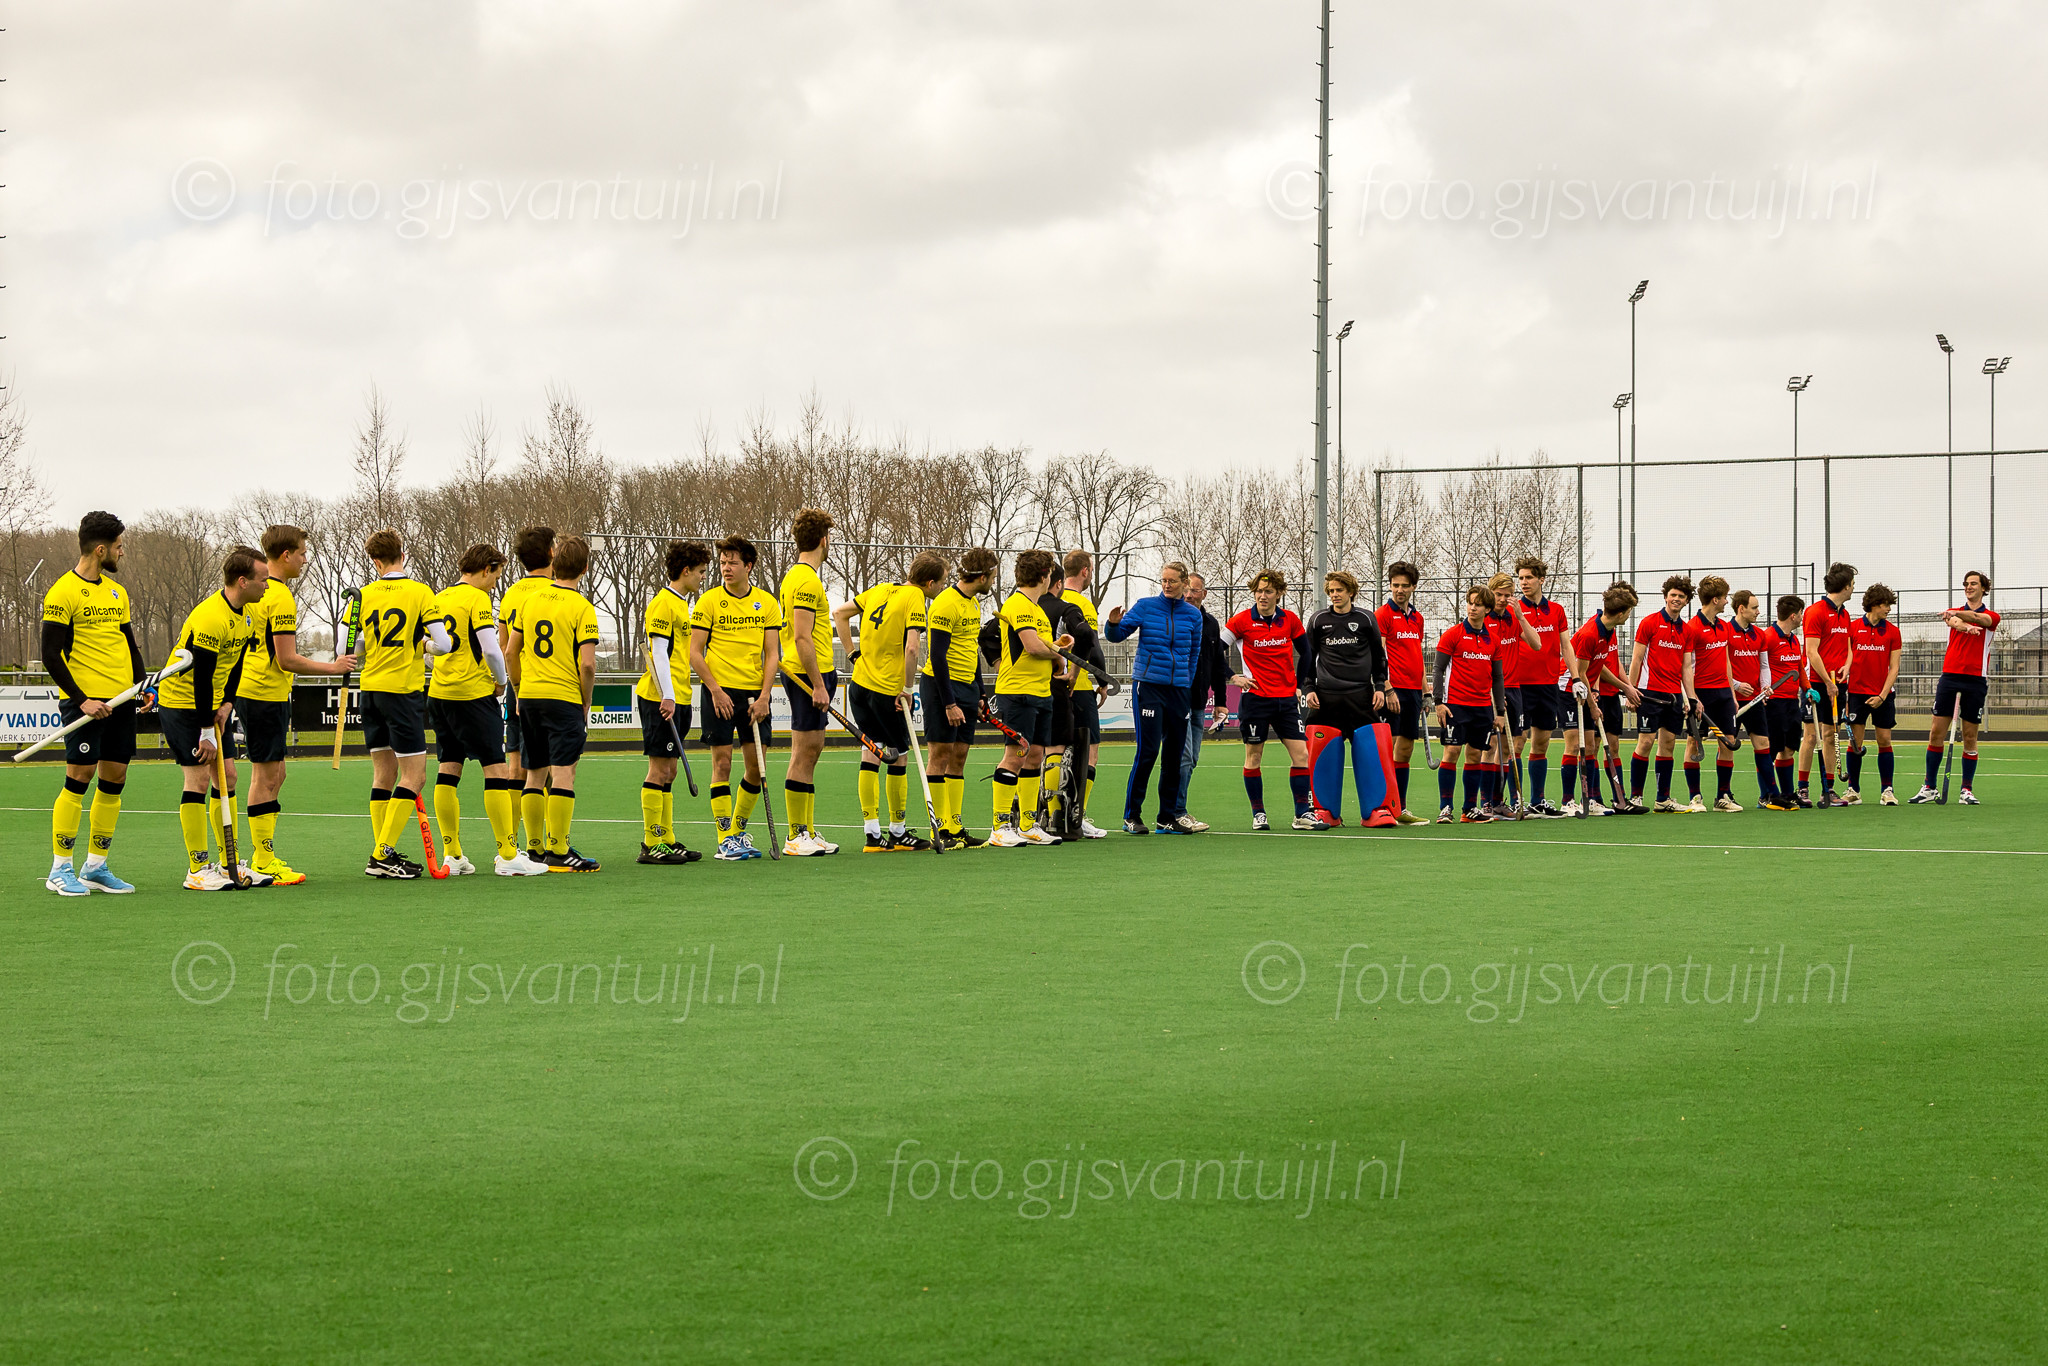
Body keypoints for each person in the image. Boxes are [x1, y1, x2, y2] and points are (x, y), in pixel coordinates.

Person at [235, 524, 359, 885]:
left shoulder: (258, 590)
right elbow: (287, 659)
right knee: (266, 776)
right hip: (262, 692)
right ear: (286, 555)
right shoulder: (279, 596)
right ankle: (262, 860)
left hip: (260, 690)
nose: (305, 560)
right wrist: (333, 667)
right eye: (302, 553)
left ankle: (264, 855)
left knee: (276, 774)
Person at [42, 511, 148, 896]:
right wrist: (82, 700)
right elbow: (51, 654)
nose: (122, 552)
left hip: (121, 701)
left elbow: (128, 643)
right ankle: (60, 868)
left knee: (114, 778)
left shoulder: (118, 593)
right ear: (101, 550)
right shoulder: (62, 592)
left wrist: (142, 685)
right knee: (80, 777)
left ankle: (96, 866)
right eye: (119, 546)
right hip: (85, 703)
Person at [158, 547, 271, 890]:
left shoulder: (248, 614)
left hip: (212, 705)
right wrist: (207, 728)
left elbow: (236, 664)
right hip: (182, 704)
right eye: (263, 579)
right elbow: (202, 676)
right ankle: (196, 869)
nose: (267, 585)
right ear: (243, 581)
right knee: (197, 780)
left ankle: (228, 864)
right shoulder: (210, 617)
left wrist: (228, 703)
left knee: (228, 777)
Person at [428, 543, 538, 875]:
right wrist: (502, 681)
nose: (495, 584)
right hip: (473, 695)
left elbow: (428, 649)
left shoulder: (440, 597)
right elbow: (491, 650)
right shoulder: (476, 599)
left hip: (439, 694)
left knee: (449, 768)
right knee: (496, 769)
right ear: (486, 569)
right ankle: (508, 855)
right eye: (496, 576)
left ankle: (453, 855)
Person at [357, 529, 454, 878]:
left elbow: (349, 647)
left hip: (370, 690)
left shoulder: (363, 595)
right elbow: (444, 644)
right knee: (415, 776)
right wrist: (422, 645)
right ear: (403, 555)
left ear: (375, 561)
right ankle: (382, 854)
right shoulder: (420, 592)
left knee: (383, 774)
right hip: (401, 692)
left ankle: (383, 853)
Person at [688, 536, 784, 860]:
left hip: (754, 696)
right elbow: (695, 653)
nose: (726, 568)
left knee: (756, 767)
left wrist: (765, 696)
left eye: (733, 562)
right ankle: (724, 839)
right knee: (723, 763)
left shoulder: (767, 603)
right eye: (722, 563)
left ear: (749, 566)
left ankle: (738, 830)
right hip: (719, 692)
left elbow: (772, 654)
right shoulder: (708, 602)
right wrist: (715, 690)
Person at [837, 555, 942, 851]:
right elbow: (912, 649)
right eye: (941, 583)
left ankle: (872, 833)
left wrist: (853, 654)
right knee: (899, 755)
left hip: (860, 685)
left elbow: (839, 614)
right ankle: (897, 831)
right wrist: (907, 689)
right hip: (887, 692)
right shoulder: (915, 597)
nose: (941, 588)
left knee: (871, 753)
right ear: (930, 583)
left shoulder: (880, 589)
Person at [1105, 561, 1205, 835]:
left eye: (1172, 581)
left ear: (1184, 584)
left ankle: (1167, 818)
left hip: (1179, 691)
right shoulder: (1146, 606)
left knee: (1174, 756)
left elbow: (1194, 654)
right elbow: (1117, 636)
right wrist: (1112, 624)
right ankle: (1132, 816)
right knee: (1148, 752)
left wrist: (1185, 682)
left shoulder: (1193, 615)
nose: (1167, 585)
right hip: (1148, 687)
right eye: (1163, 580)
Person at [988, 549, 1071, 846]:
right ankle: (999, 827)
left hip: (1041, 691)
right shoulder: (1019, 604)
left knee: (1035, 755)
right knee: (1015, 756)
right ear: (1044, 576)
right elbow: (1033, 647)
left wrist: (1058, 649)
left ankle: (1028, 825)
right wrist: (1058, 653)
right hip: (1018, 691)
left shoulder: (1037, 609)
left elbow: (1043, 645)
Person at [635, 539, 711, 864]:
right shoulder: (663, 603)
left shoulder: (681, 604)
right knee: (659, 768)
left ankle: (666, 838)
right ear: (686, 570)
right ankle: (651, 842)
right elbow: (659, 653)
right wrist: (667, 695)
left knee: (671, 771)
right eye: (701, 571)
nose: (703, 577)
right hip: (660, 697)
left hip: (678, 696)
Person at [1221, 569, 1312, 830]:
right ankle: (1258, 814)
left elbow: (1306, 653)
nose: (1262, 596)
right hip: (1255, 700)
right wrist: (1233, 677)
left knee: (1301, 754)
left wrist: (1298, 685)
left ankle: (1302, 814)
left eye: (1268, 591)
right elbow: (1215, 650)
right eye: (1259, 591)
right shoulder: (1240, 621)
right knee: (1254, 757)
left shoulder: (1290, 619)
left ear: (1279, 593)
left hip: (1286, 701)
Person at [1300, 570, 1392, 825]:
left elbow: (1379, 657)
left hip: (1361, 697)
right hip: (1327, 698)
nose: (1334, 595)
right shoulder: (1318, 620)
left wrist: (1380, 687)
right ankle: (1326, 811)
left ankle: (1375, 810)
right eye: (1330, 591)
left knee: (1370, 751)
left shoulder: (1366, 618)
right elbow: (1308, 658)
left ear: (1351, 591)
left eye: (1339, 590)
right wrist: (1309, 688)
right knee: (1323, 753)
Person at [921, 547, 998, 848]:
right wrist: (950, 703)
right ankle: (938, 829)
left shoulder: (974, 604)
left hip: (967, 688)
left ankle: (955, 826)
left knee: (960, 756)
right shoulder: (944, 603)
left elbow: (971, 650)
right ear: (982, 576)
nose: (993, 580)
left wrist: (980, 693)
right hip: (942, 687)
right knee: (940, 755)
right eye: (992, 575)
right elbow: (937, 656)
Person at [777, 510, 839, 856]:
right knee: (804, 751)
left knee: (812, 750)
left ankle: (807, 831)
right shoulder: (805, 580)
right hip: (805, 675)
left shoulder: (802, 577)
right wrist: (817, 684)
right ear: (823, 540)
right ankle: (796, 834)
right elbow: (802, 637)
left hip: (814, 672)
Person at [1911, 570, 1998, 806]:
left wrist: (1961, 617)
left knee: (1970, 736)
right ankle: (1929, 787)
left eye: (1974, 584)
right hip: (1950, 677)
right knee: (1936, 733)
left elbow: (1980, 619)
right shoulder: (1955, 613)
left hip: (1975, 680)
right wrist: (1964, 625)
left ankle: (1966, 790)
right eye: (1966, 584)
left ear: (1983, 588)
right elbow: (1955, 621)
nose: (1969, 587)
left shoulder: (1992, 616)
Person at [498, 526, 555, 859]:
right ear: (551, 553)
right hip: (551, 688)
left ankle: (512, 844)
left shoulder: (511, 594)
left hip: (518, 686)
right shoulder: (558, 592)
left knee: (516, 764)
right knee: (553, 766)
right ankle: (550, 841)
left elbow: (504, 644)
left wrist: (514, 684)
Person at [1433, 584, 1510, 823]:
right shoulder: (1453, 634)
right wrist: (1438, 702)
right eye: (1470, 603)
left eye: (1478, 604)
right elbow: (1438, 669)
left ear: (1487, 609)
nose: (1472, 608)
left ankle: (1469, 809)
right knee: (1452, 752)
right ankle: (1445, 808)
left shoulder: (1493, 640)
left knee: (1475, 755)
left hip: (1482, 707)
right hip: (1455, 705)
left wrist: (1499, 712)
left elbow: (1497, 678)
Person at [1565, 583, 1642, 815]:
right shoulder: (1590, 633)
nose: (1628, 616)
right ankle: (1574, 800)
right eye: (1628, 612)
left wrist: (1625, 687)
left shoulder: (1607, 630)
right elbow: (1581, 674)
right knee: (1581, 746)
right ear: (1620, 613)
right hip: (1568, 689)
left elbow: (1598, 666)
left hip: (1586, 688)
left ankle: (1597, 800)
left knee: (1593, 745)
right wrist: (1592, 704)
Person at [1509, 557, 1573, 817]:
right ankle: (1515, 801)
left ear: (1541, 580)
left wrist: (1577, 678)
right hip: (1520, 686)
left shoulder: (1556, 610)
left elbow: (1566, 645)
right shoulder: (1513, 610)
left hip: (1548, 685)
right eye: (1521, 578)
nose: (1524, 583)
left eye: (1529, 578)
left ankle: (1538, 800)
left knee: (1542, 743)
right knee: (1518, 743)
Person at [1626, 575, 1695, 813]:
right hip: (1648, 693)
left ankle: (1662, 799)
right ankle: (1635, 797)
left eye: (1681, 596)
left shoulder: (1687, 630)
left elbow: (1686, 668)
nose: (1676, 599)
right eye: (1673, 595)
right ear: (1665, 597)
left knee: (1668, 744)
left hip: (1673, 696)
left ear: (1687, 601)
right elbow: (1636, 659)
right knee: (1645, 743)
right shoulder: (1649, 623)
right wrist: (1631, 690)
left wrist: (1691, 697)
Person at [1679, 575, 1744, 813]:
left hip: (1723, 694)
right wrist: (1692, 697)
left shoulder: (1724, 627)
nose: (1727, 602)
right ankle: (1695, 798)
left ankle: (1722, 797)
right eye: (1725, 597)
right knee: (1694, 743)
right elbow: (1685, 666)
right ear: (1715, 600)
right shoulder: (1691, 628)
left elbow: (1726, 661)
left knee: (1729, 742)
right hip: (1701, 694)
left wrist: (1732, 694)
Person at [1169, 572, 1228, 830]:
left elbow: (1217, 665)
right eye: (1186, 590)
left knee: (1191, 759)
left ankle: (1177, 809)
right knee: (1183, 758)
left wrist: (1220, 701)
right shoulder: (1173, 618)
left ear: (1204, 593)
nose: (1189, 595)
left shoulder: (1211, 623)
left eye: (1194, 590)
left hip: (1198, 703)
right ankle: (1175, 812)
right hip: (1176, 700)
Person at [1059, 550, 1110, 838]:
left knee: (1055, 752)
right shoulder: (1080, 603)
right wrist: (1102, 680)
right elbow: (1091, 645)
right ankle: (1077, 816)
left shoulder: (1049, 600)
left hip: (1052, 685)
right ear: (1086, 571)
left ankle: (1050, 813)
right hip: (1077, 686)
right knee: (1089, 752)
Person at [1375, 561, 1430, 822]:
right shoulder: (1382, 615)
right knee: (1389, 748)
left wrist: (1426, 692)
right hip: (1393, 691)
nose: (1399, 590)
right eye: (1395, 585)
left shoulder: (1417, 618)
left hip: (1413, 691)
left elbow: (1417, 656)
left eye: (1404, 585)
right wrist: (1387, 689)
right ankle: (1384, 806)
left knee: (1406, 750)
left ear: (1413, 587)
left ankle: (1400, 807)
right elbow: (1379, 655)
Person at [1800, 562, 1857, 809]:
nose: (1854, 588)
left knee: (1831, 735)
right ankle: (1802, 788)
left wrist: (1847, 665)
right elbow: (1811, 652)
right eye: (1852, 584)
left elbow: (1848, 647)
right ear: (1845, 586)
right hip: (1816, 683)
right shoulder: (1815, 612)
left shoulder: (1845, 614)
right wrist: (1826, 682)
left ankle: (1829, 789)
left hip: (1837, 682)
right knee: (1811, 736)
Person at [1842, 584, 1903, 806]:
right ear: (1874, 605)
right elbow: (1846, 661)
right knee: (1855, 743)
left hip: (1882, 695)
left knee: (1884, 740)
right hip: (1857, 694)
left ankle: (1887, 790)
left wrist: (1882, 696)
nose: (1888, 609)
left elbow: (1894, 668)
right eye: (1885, 605)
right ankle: (1853, 790)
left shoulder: (1893, 632)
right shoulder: (1853, 628)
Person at [1726, 590, 1782, 811]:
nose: (1758, 612)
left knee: (1763, 745)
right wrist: (1736, 685)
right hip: (1731, 701)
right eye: (1754, 608)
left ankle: (1770, 795)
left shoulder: (1759, 634)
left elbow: (1764, 665)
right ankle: (1725, 794)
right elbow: (1720, 665)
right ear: (1741, 609)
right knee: (1728, 747)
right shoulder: (1726, 631)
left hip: (1755, 701)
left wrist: (1765, 686)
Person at [1761, 596, 1808, 809]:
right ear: (1793, 615)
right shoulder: (1768, 637)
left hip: (1791, 702)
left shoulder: (1794, 640)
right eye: (1801, 614)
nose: (1802, 618)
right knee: (1771, 750)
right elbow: (1760, 667)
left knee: (1789, 748)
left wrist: (1808, 689)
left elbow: (1798, 668)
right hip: (1774, 703)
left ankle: (1788, 794)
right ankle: (1766, 795)